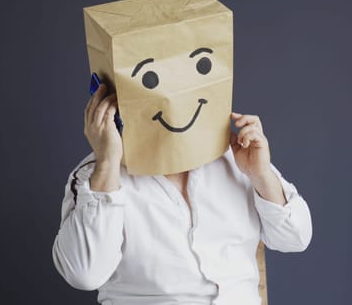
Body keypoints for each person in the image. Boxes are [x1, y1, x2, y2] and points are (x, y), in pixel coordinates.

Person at [52, 83, 313, 305]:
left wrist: (261, 174)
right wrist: (107, 163)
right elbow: (84, 273)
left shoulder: (236, 156)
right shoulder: (95, 175)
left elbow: (296, 237)